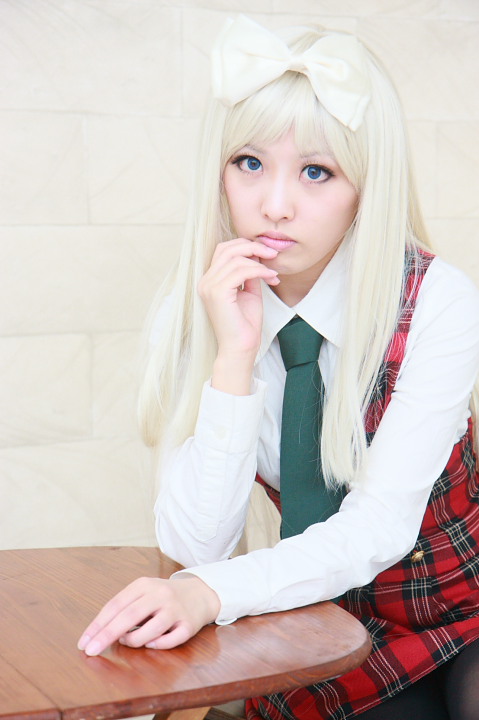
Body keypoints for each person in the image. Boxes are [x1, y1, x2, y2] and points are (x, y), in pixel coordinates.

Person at [78, 15, 479, 720]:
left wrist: (209, 593)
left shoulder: (436, 302)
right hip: (318, 618)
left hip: (466, 605)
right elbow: (197, 545)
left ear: (368, 186)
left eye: (316, 172)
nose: (274, 206)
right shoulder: (202, 304)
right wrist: (232, 359)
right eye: (249, 163)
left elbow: (378, 528)